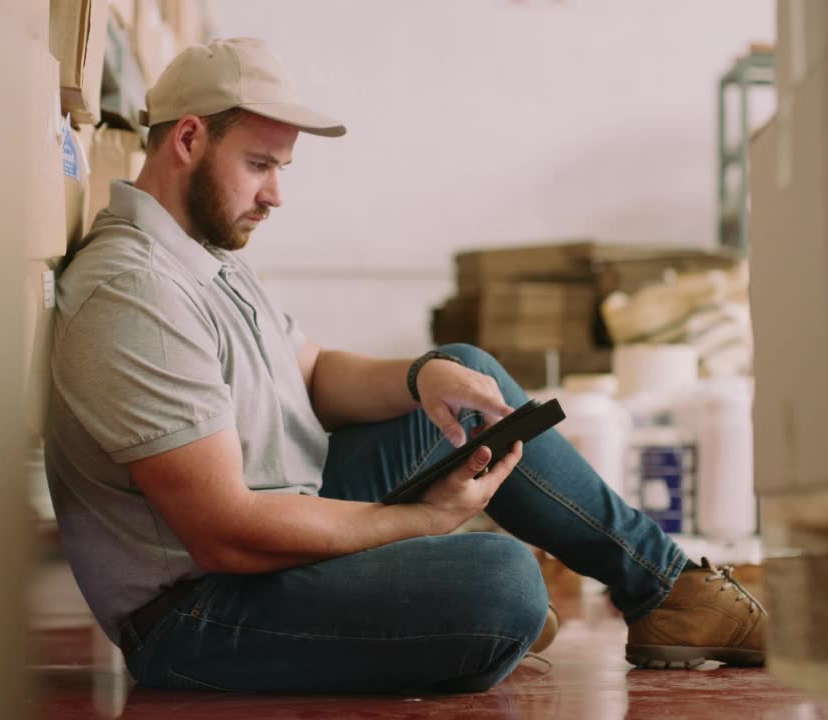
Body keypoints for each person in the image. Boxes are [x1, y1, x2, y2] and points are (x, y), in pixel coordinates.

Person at [46, 37, 765, 694]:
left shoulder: (203, 255)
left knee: (462, 373)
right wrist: (419, 524)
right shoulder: (134, 292)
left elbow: (314, 371)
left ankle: (669, 592)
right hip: (200, 611)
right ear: (190, 139)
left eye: (281, 169)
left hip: (280, 513)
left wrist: (424, 378)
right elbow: (225, 531)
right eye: (259, 166)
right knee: (506, 585)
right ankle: (450, 608)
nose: (276, 195)